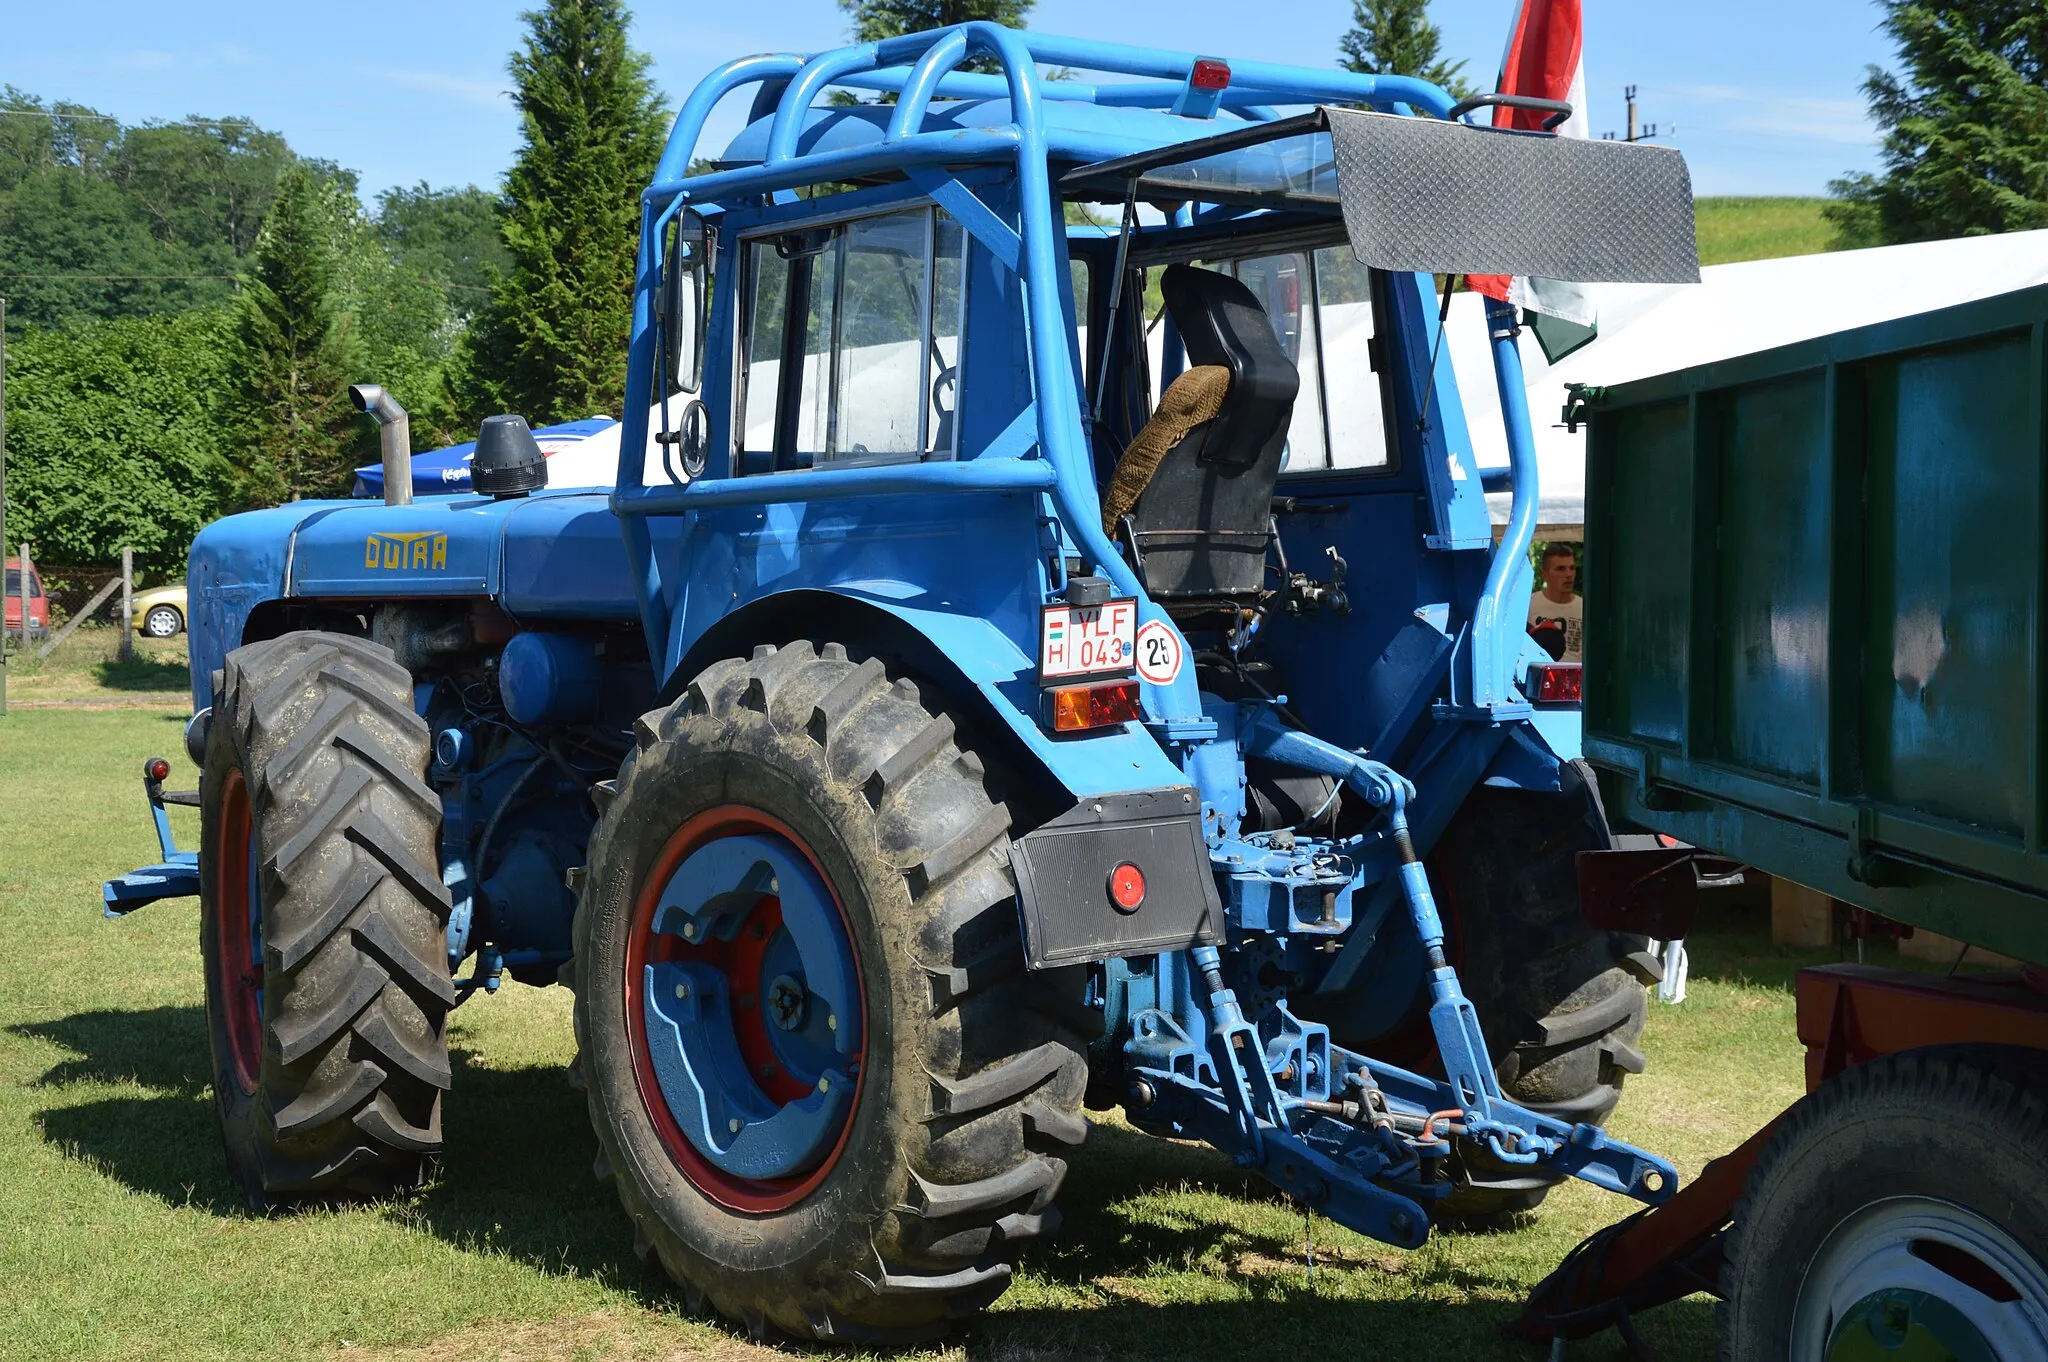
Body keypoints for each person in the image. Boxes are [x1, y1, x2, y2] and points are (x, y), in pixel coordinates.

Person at [1528, 543, 1583, 663]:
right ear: (1545, 575)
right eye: (1560, 569)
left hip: (1577, 677)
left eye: (1572, 568)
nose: (1569, 575)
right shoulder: (1528, 605)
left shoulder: (1585, 607)